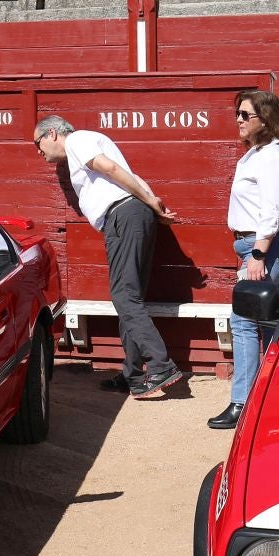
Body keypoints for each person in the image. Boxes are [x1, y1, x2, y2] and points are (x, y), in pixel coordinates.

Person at [33, 114, 184, 399]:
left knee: (124, 296)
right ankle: (134, 375)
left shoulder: (77, 139)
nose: (39, 151)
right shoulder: (86, 141)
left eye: (38, 143)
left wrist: (150, 201)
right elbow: (121, 171)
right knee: (129, 296)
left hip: (124, 215)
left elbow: (111, 168)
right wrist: (149, 204)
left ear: (52, 133)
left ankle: (161, 366)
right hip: (130, 215)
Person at [209, 88, 279, 430]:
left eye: (246, 115)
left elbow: (271, 211)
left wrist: (258, 254)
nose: (239, 121)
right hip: (255, 246)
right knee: (267, 322)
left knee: (244, 321)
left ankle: (242, 402)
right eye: (238, 114)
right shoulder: (257, 154)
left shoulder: (271, 157)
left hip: (265, 246)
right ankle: (276, 397)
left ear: (266, 120)